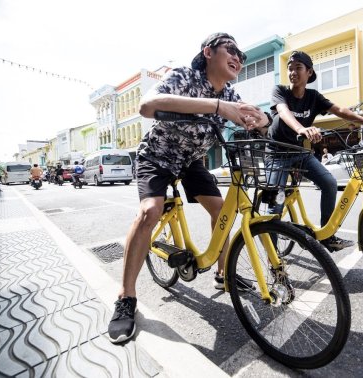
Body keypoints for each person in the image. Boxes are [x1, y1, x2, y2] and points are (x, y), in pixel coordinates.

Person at [107, 32, 271, 344]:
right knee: (149, 212)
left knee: (222, 209)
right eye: (231, 50)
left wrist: (262, 119)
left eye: (242, 55)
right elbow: (147, 106)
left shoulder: (233, 95)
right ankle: (126, 296)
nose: (238, 57)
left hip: (192, 160)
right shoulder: (184, 76)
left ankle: (223, 273)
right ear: (208, 52)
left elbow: (260, 122)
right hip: (157, 156)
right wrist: (218, 106)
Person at [266, 50, 363, 252]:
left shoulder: (313, 97)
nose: (293, 72)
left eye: (298, 68)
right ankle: (273, 258)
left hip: (299, 153)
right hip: (276, 154)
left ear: (309, 72)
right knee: (275, 205)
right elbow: (283, 111)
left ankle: (327, 236)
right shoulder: (280, 91)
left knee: (330, 183)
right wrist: (301, 129)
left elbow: (340, 110)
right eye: (290, 68)